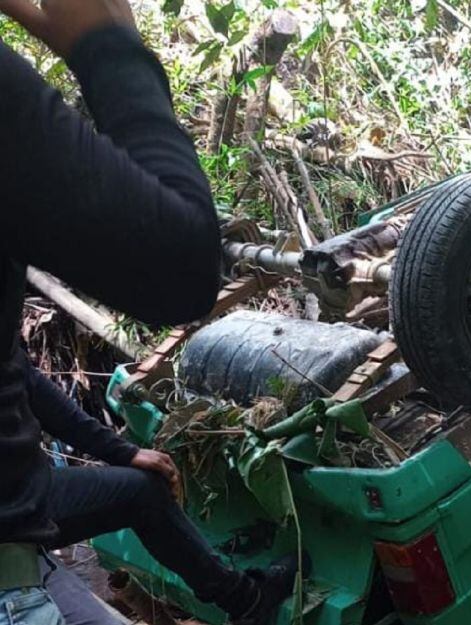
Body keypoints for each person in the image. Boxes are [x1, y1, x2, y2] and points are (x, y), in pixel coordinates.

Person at [0, 0, 303, 623]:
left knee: (139, 490)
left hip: (17, 518)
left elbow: (15, 371)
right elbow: (181, 267)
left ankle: (243, 601)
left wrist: (121, 451)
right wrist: (105, 43)